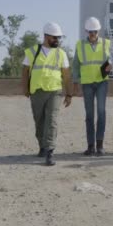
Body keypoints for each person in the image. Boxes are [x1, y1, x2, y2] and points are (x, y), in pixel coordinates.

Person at [21, 22, 73, 166]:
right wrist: (25, 88)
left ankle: (50, 151)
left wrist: (69, 94)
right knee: (39, 121)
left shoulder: (61, 54)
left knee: (52, 120)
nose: (57, 40)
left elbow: (67, 76)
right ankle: (42, 146)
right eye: (54, 37)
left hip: (55, 91)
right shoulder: (32, 51)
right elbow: (25, 71)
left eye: (58, 38)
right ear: (46, 36)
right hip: (37, 91)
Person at [72, 17, 113, 156]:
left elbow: (111, 60)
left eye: (95, 32)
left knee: (101, 112)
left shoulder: (107, 43)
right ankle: (90, 146)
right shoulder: (80, 45)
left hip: (102, 82)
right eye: (90, 32)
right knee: (89, 115)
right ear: (86, 31)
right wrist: (75, 82)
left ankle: (100, 145)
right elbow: (76, 64)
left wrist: (111, 66)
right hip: (87, 83)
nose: (92, 34)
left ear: (98, 31)